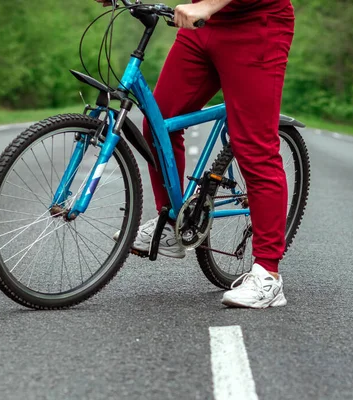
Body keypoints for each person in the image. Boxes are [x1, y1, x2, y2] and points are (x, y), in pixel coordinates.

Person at [98, 0, 294, 308]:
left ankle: (268, 275)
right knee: (158, 122)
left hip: (256, 25)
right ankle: (173, 224)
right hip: (202, 26)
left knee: (255, 148)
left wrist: (209, 5)